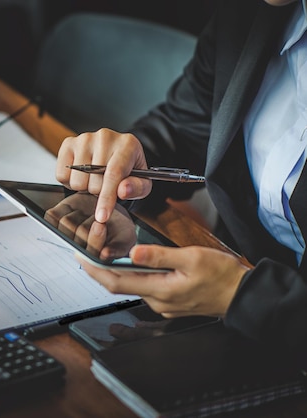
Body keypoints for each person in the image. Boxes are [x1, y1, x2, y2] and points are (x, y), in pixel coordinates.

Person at [56, 0, 307, 365]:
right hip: (233, 327)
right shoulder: (251, 11)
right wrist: (128, 165)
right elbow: (186, 127)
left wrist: (243, 296)